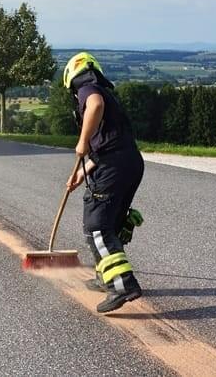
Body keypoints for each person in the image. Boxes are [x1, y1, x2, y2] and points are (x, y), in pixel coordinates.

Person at [64, 52, 145, 313]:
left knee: (97, 227)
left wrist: (82, 141)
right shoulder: (103, 90)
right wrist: (82, 171)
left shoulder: (88, 88)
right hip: (128, 162)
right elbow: (109, 145)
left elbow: (95, 105)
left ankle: (122, 286)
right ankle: (106, 278)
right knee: (109, 224)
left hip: (114, 167)